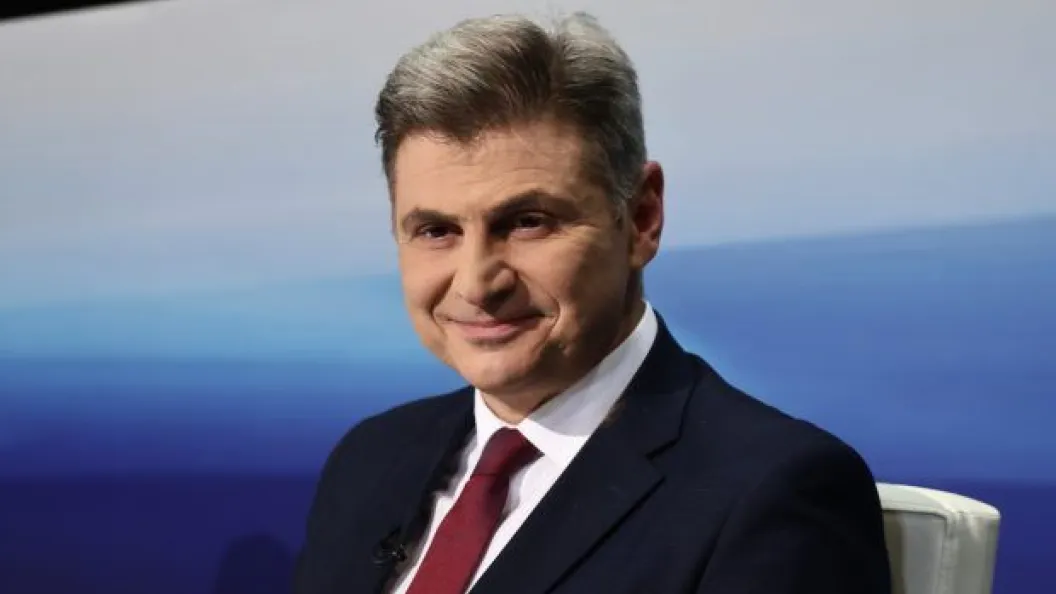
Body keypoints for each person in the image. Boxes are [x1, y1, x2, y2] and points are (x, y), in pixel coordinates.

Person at [294, 11, 891, 594]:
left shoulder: (770, 490)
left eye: (527, 222)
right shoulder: (369, 460)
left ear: (641, 218)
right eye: (436, 231)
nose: (476, 284)